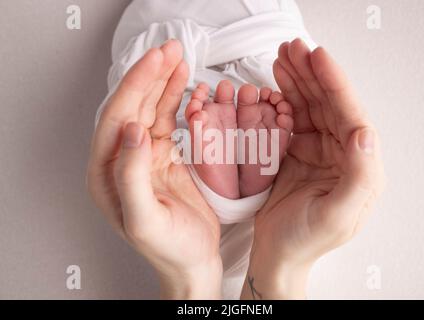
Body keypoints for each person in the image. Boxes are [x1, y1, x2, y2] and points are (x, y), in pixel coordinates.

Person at [87, 1, 385, 299]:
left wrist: (190, 277)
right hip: (269, 201)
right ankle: (236, 181)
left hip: (175, 204)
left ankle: (223, 184)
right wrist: (280, 265)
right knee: (265, 89)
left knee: (158, 115)